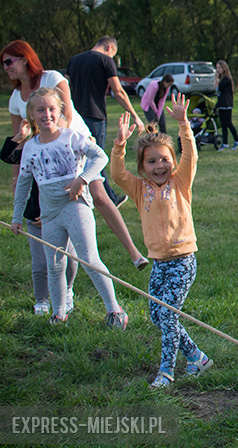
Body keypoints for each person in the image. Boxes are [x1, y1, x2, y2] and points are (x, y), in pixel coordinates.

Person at [2, 40, 148, 272]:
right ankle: (69, 268)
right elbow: (18, 141)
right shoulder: (15, 98)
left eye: (9, 61)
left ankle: (134, 252)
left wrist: (60, 145)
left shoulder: (51, 78)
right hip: (47, 155)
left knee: (99, 195)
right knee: (61, 204)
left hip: (75, 142)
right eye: (3, 63)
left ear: (25, 58)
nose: (6, 66)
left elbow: (67, 113)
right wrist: (16, 177)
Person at [111, 94, 214, 389]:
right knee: (158, 316)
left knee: (168, 315)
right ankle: (197, 357)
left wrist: (183, 124)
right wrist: (119, 145)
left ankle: (166, 371)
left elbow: (190, 155)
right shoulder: (139, 188)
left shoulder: (180, 183)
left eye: (165, 160)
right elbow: (117, 174)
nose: (160, 166)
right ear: (143, 167)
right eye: (152, 161)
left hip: (183, 260)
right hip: (158, 262)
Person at [11, 87, 129, 329]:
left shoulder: (71, 137)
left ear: (59, 111)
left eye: (52, 109)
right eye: (40, 110)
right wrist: (16, 217)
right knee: (55, 264)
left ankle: (115, 310)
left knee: (89, 258)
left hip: (76, 206)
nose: (47, 114)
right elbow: (23, 184)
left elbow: (100, 157)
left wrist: (82, 179)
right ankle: (59, 313)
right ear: (32, 115)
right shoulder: (30, 148)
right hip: (50, 214)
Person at [1, 123, 78, 315]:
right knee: (40, 263)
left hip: (61, 212)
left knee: (69, 259)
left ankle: (67, 291)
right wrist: (20, 135)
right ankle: (42, 300)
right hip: (35, 215)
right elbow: (7, 156)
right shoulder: (32, 150)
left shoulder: (66, 149)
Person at [66, 35, 144, 206]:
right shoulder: (105, 61)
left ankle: (90, 195)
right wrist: (135, 116)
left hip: (74, 117)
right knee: (96, 158)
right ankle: (109, 198)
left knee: (77, 159)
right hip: (95, 116)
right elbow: (119, 91)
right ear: (109, 47)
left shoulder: (74, 60)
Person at [215, 60, 238, 150]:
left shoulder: (226, 79)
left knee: (229, 123)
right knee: (223, 125)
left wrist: (216, 78)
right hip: (221, 104)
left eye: (219, 68)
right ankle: (225, 143)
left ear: (224, 68)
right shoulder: (223, 79)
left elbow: (218, 89)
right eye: (217, 68)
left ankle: (237, 141)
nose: (218, 70)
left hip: (226, 104)